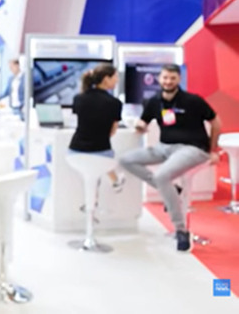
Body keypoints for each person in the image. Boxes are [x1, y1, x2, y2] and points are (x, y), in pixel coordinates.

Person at [119, 63, 222, 251]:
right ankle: (172, 189)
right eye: (165, 78)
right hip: (164, 147)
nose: (168, 81)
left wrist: (212, 149)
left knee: (161, 176)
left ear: (179, 79)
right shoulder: (154, 101)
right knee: (126, 160)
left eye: (172, 78)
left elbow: (216, 122)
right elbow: (143, 122)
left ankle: (180, 230)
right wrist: (137, 125)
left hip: (192, 148)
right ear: (159, 79)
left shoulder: (193, 100)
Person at [68, 64, 125, 192]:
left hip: (74, 152)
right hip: (102, 154)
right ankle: (115, 182)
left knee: (92, 174)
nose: (117, 80)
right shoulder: (115, 103)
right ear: (106, 79)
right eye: (115, 77)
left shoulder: (78, 98)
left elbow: (77, 122)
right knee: (101, 162)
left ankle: (97, 194)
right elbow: (112, 132)